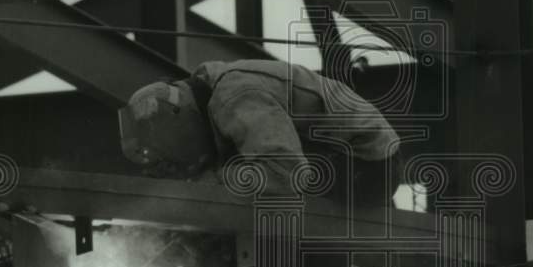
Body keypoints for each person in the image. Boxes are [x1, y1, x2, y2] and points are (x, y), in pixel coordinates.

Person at [119, 58, 402, 210]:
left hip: (367, 167)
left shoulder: (234, 96)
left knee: (248, 184)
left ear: (179, 124)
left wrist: (209, 183)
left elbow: (285, 172)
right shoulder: (219, 94)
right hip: (338, 161)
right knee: (236, 180)